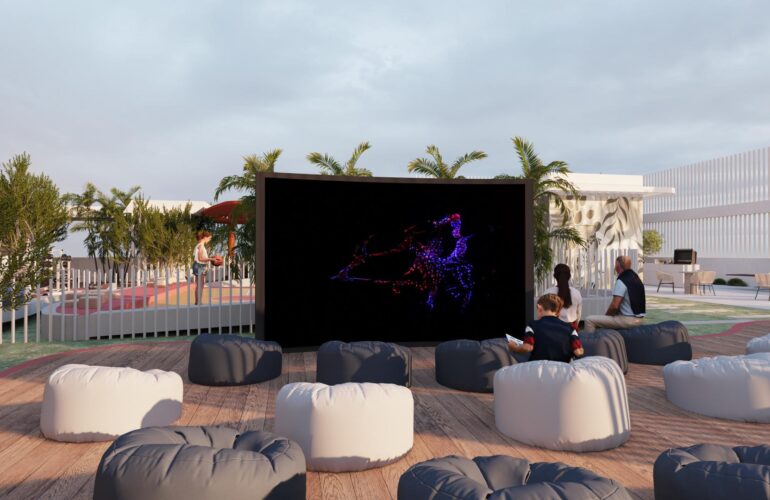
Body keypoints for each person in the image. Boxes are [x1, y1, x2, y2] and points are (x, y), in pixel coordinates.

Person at [508, 293, 584, 363]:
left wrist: (514, 347)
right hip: (561, 370)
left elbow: (528, 347)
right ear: (558, 312)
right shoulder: (570, 328)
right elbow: (578, 352)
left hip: (537, 368)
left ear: (539, 308)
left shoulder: (532, 325)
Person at [583, 255, 645, 332]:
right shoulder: (636, 278)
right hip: (639, 320)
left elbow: (614, 306)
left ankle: (591, 343)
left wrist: (606, 317)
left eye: (615, 264)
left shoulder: (622, 280)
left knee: (589, 320)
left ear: (618, 266)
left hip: (627, 320)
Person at [545, 263, 582, 329]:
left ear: (555, 276)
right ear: (569, 276)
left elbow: (543, 316)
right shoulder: (577, 293)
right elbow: (578, 315)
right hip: (571, 331)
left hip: (552, 330)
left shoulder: (547, 293)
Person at [192, 231, 215, 305]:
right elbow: (201, 258)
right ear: (205, 237)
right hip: (199, 266)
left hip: (198, 265)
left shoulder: (198, 245)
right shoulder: (201, 245)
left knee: (199, 285)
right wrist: (210, 259)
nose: (209, 240)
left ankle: (197, 302)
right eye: (209, 238)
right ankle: (198, 302)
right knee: (200, 286)